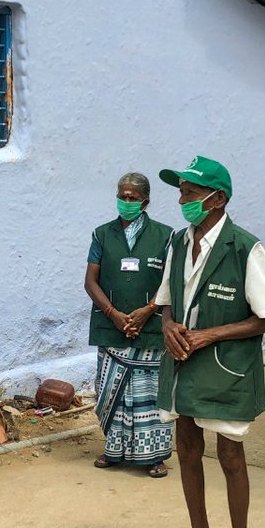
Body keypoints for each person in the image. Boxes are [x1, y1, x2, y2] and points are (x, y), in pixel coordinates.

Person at [154, 156, 265, 528]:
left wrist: (210, 334)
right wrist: (169, 326)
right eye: (182, 192)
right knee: (186, 449)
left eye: (190, 193)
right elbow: (166, 299)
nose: (182, 200)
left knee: (230, 457)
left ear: (218, 198)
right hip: (181, 361)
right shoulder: (177, 242)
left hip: (224, 366)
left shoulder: (244, 248)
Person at [84, 173, 175, 477]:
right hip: (111, 328)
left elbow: (172, 282)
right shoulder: (102, 234)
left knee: (149, 392)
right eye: (121, 196)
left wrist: (147, 311)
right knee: (113, 390)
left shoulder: (166, 236)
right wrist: (114, 315)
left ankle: (155, 456)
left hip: (151, 328)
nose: (126, 201)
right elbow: (90, 281)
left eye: (132, 198)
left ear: (145, 201)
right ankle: (114, 450)